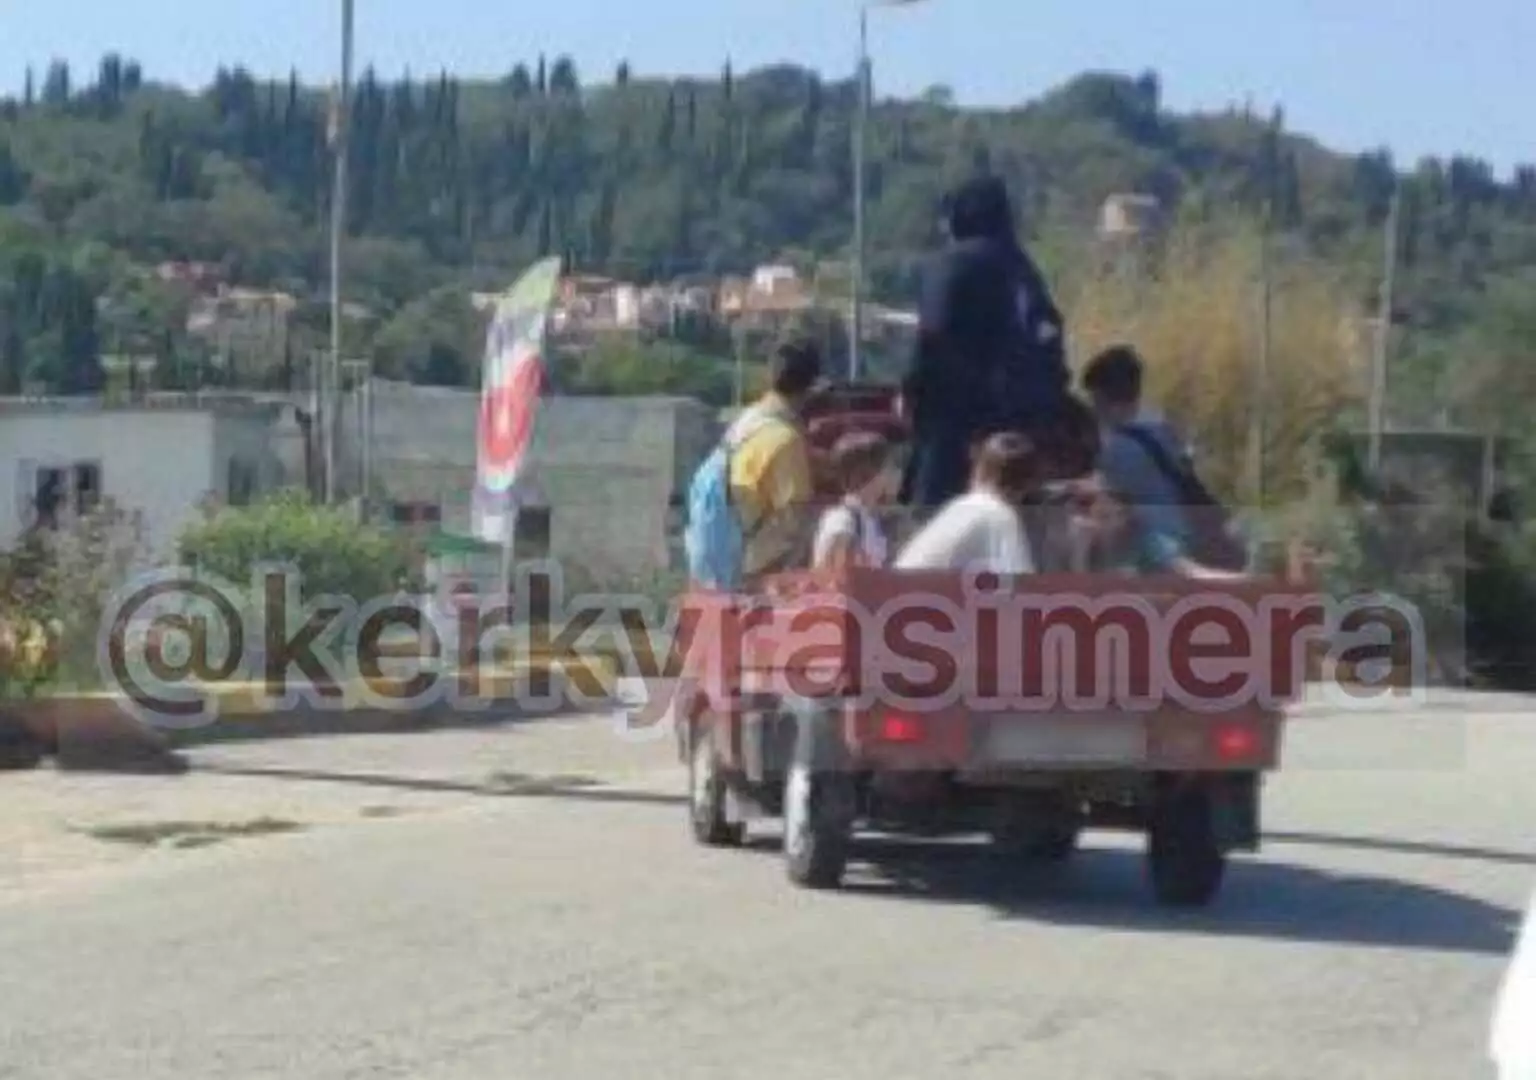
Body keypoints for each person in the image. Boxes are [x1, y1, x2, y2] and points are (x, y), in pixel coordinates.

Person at [899, 175, 1070, 512]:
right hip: (1025, 435)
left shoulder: (951, 263)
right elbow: (1050, 340)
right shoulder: (1027, 271)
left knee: (936, 525)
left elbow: (932, 335)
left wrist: (911, 392)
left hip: (957, 429)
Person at [727, 338, 826, 582]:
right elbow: (795, 523)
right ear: (811, 387)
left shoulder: (747, 421)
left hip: (725, 554)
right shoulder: (786, 440)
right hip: (758, 570)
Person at [895, 432, 1040, 575]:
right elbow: (1019, 582)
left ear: (978, 470)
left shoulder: (959, 507)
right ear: (1028, 484)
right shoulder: (999, 515)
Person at [812, 432, 896, 571]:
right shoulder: (842, 522)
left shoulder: (871, 518)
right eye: (889, 468)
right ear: (871, 473)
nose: (895, 474)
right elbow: (836, 576)